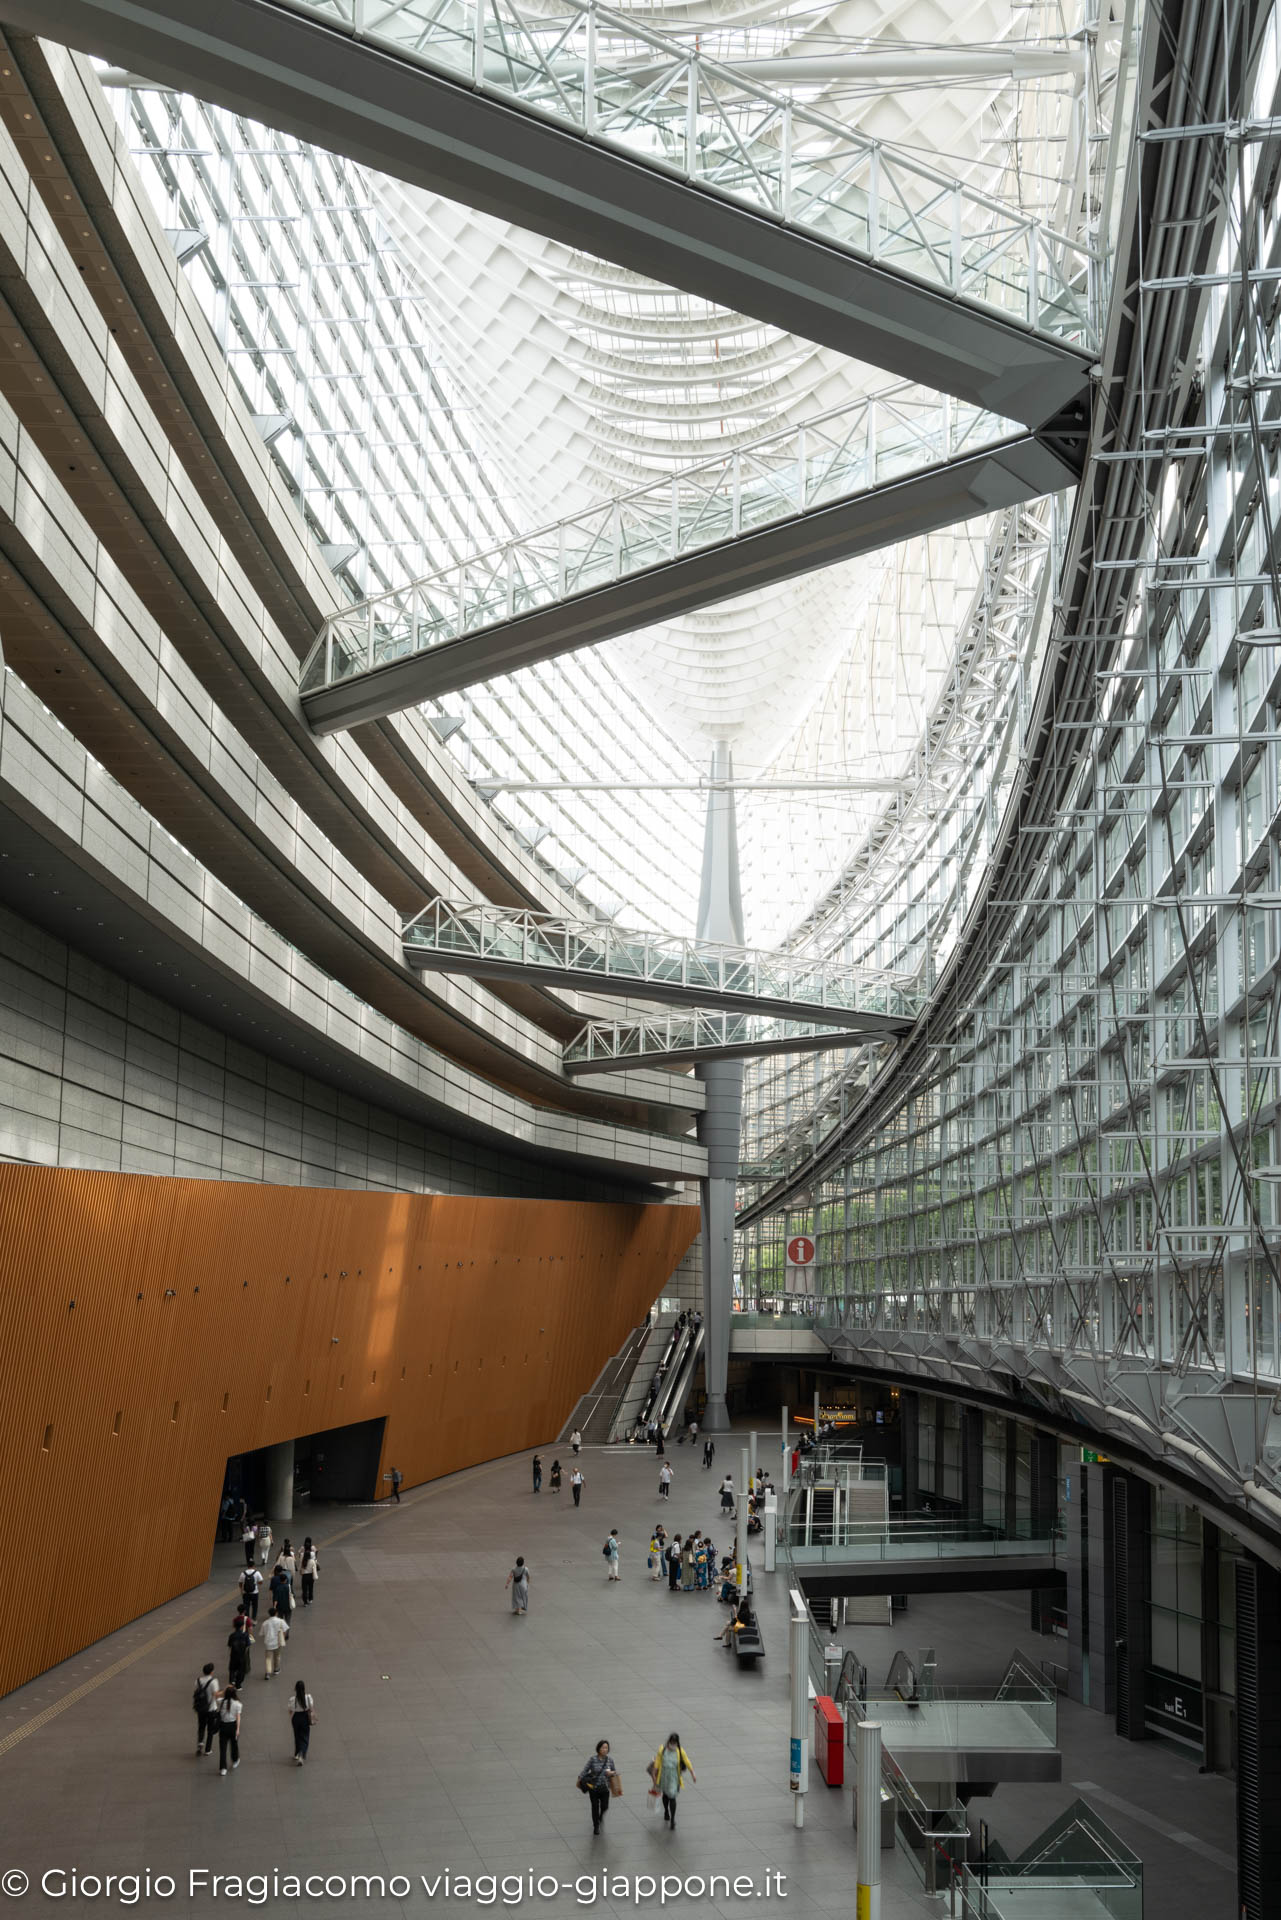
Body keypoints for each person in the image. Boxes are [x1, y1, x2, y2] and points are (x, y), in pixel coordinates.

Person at [650, 1732, 696, 1829]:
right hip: (664, 1777)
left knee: (672, 1797)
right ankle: (666, 1810)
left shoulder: (680, 1751)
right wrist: (654, 1773)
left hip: (674, 1778)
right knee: (665, 1795)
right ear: (669, 1741)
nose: (673, 1745)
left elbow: (687, 1761)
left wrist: (692, 1773)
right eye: (672, 1742)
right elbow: (658, 1761)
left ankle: (672, 1819)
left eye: (675, 1743)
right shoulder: (662, 1749)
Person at [577, 1739, 616, 1834]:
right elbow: (585, 1770)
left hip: (605, 1788)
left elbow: (614, 1772)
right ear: (598, 1749)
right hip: (593, 1788)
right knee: (594, 1807)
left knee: (605, 1806)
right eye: (603, 1747)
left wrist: (611, 1773)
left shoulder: (610, 1760)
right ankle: (596, 1825)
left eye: (606, 1748)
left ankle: (601, 1815)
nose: (605, 1749)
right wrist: (579, 1778)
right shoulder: (593, 1759)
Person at [217, 1684, 243, 1775]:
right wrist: (238, 1729)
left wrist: (224, 1690)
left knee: (223, 1748)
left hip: (223, 1726)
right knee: (234, 1745)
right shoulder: (238, 1704)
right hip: (233, 1726)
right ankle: (235, 1759)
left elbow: (217, 1696)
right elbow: (238, 1717)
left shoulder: (221, 1702)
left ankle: (223, 1768)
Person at [193, 1663, 219, 1755]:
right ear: (211, 1672)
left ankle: (200, 1742)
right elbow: (215, 1695)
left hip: (201, 1708)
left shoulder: (198, 1681)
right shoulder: (214, 1681)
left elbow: (196, 1693)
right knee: (210, 1729)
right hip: (211, 1708)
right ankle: (208, 1750)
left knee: (201, 1727)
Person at [289, 1678, 314, 1766]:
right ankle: (301, 1755)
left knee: (297, 1735)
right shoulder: (308, 1698)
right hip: (304, 1718)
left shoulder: (293, 1699)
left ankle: (296, 1753)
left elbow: (290, 1710)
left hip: (296, 1718)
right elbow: (311, 1708)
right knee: (304, 1737)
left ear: (295, 1689)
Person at [260, 1604, 289, 1679]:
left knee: (268, 1658)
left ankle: (267, 1673)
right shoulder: (280, 1621)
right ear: (276, 1613)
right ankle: (276, 1669)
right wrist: (283, 1636)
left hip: (268, 1643)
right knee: (277, 1656)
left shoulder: (265, 1623)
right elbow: (285, 1630)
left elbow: (262, 1633)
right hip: (278, 1642)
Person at [227, 1613, 253, 1686]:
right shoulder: (245, 1635)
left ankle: (232, 1681)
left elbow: (229, 1646)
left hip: (233, 1655)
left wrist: (230, 1653)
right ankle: (238, 1684)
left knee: (232, 1669)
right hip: (242, 1656)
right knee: (241, 1670)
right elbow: (247, 1645)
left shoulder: (232, 1635)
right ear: (242, 1626)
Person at [299, 1538, 319, 1607]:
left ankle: (305, 1602)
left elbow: (300, 1567)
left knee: (304, 1589)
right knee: (311, 1588)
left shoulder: (303, 1560)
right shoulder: (312, 1561)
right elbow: (314, 1569)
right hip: (311, 1576)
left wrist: (300, 1572)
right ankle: (310, 1599)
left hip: (304, 1576)